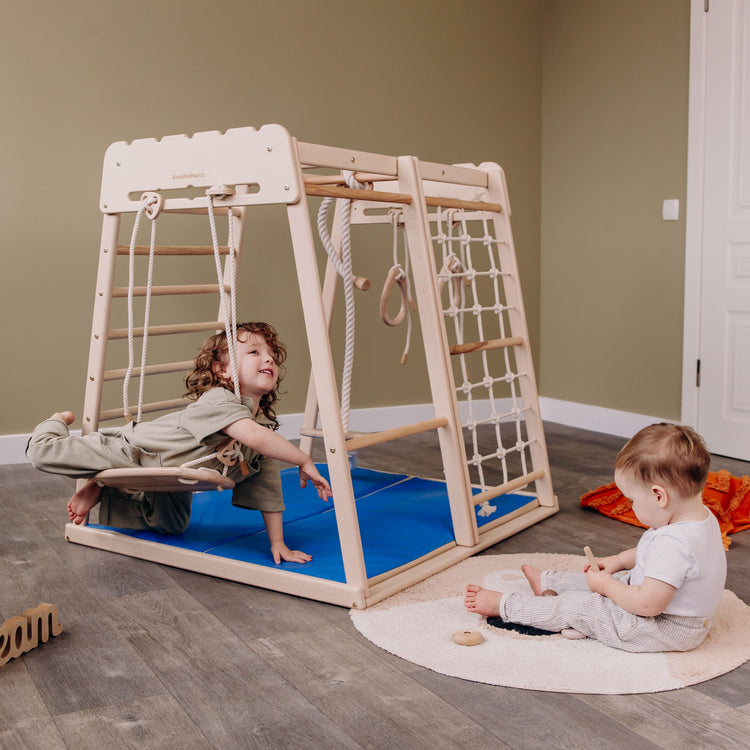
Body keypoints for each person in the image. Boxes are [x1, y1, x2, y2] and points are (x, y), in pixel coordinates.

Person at [26, 322, 331, 565]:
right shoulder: (220, 401)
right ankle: (55, 422)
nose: (268, 358)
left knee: (169, 525)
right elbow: (253, 437)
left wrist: (278, 543)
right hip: (135, 451)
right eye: (254, 352)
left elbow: (268, 492)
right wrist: (303, 460)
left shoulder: (261, 435)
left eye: (271, 355)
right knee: (41, 453)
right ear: (222, 370)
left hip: (174, 476)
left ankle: (106, 487)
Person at [464, 423, 727, 652]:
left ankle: (505, 606)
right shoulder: (697, 517)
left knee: (582, 605)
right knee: (614, 580)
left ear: (659, 496)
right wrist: (620, 561)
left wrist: (606, 588)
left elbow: (647, 605)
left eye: (632, 499)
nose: (631, 506)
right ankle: (548, 581)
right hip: (667, 613)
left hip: (664, 628)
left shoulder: (675, 544)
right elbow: (654, 553)